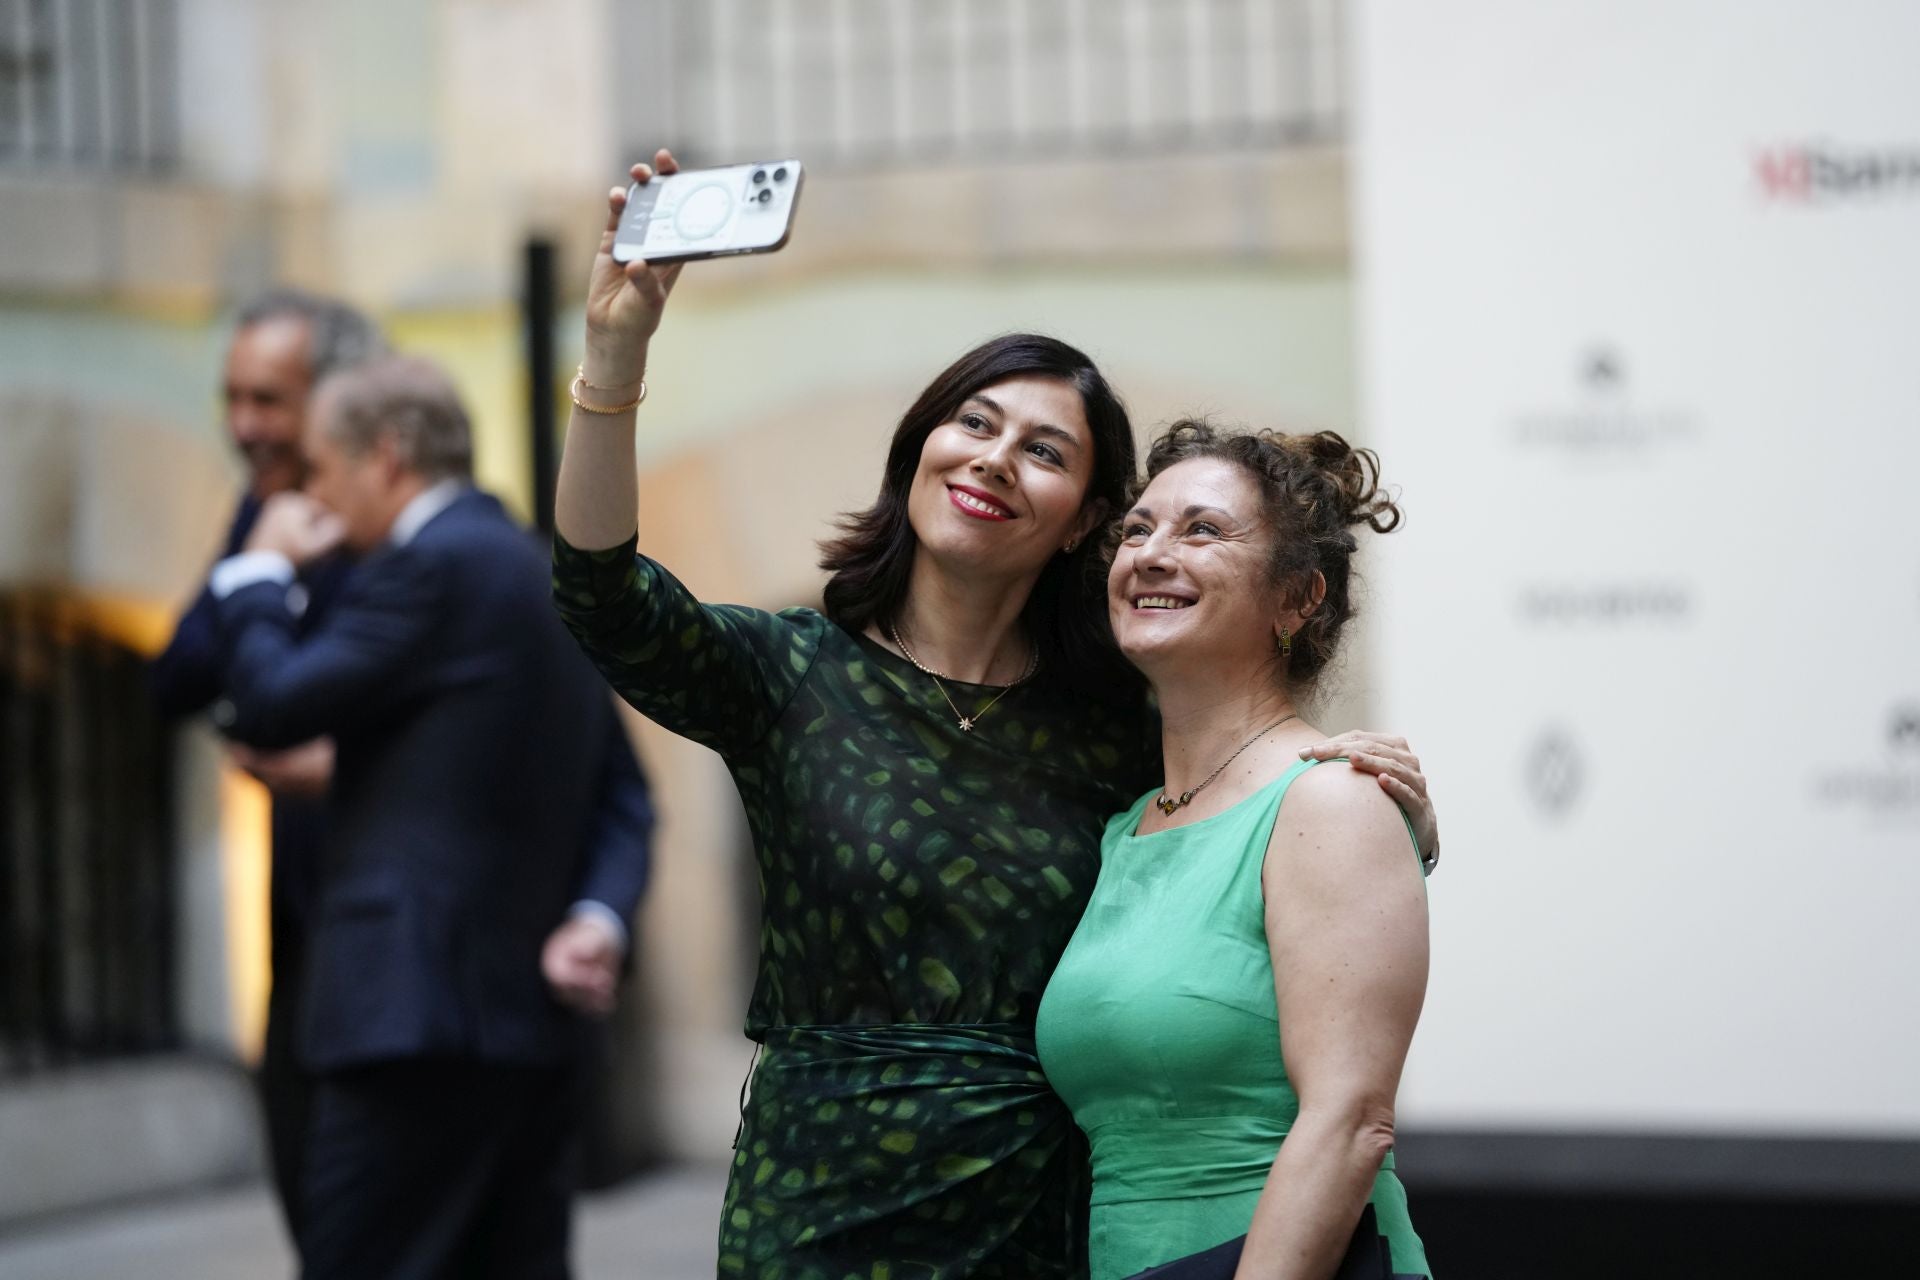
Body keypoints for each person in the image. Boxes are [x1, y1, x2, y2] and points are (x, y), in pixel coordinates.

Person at [552, 151, 1438, 1277]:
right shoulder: (791, 672)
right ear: (921, 445)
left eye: (1045, 449)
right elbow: (599, 592)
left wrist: (1382, 796)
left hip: (1044, 1210)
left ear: (1084, 521)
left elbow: (1256, 816)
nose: (995, 458)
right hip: (819, 1199)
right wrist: (615, 353)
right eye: (973, 422)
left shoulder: (1123, 713)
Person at [207, 355, 654, 1278]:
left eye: (323, 471)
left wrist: (257, 568)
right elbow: (624, 792)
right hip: (533, 1023)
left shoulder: (429, 564)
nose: (317, 499)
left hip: (407, 1016)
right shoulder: (544, 568)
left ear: (387, 455)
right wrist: (596, 915)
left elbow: (270, 701)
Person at [1036, 422, 1433, 1279]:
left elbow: (1352, 1120)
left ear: (1296, 601)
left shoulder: (1330, 795)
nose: (1150, 552)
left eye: (1202, 530)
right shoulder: (1129, 826)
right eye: (1137, 529)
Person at [150, 288, 385, 1242]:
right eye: (233, 398)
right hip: (299, 951)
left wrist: (349, 759)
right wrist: (259, 563)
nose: (244, 426)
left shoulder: (399, 532)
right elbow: (176, 678)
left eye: (269, 401)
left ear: (336, 401)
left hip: (400, 953)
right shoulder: (263, 514)